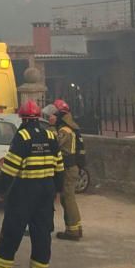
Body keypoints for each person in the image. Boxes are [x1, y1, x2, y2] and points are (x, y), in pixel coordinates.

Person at [0, 99, 65, 268]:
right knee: (42, 234)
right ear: (39, 117)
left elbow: (10, 168)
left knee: (12, 231)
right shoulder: (50, 135)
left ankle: (1, 267)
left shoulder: (22, 137)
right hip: (46, 192)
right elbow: (59, 167)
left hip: (24, 191)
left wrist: (1, 191)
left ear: (23, 118)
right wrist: (58, 189)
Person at [51, 99, 85, 241]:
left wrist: (52, 127)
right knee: (68, 198)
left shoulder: (64, 130)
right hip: (71, 167)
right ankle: (75, 228)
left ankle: (73, 231)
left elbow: (54, 143)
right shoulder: (70, 127)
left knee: (68, 198)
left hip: (69, 168)